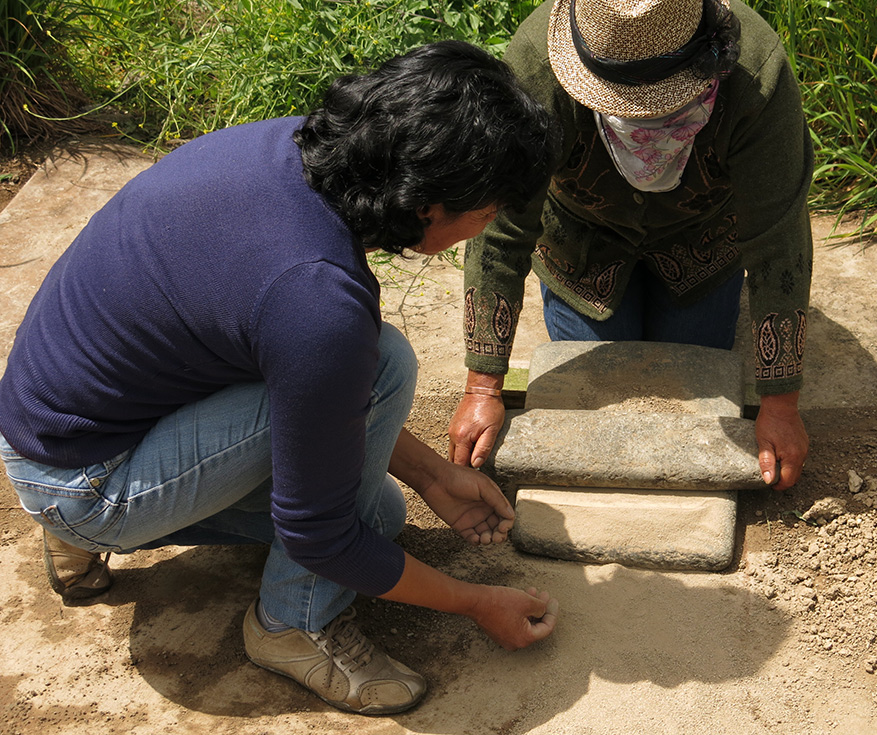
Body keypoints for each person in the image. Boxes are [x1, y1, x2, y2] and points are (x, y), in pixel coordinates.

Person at [0, 41, 560, 716]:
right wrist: (476, 600)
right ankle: (293, 624)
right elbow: (318, 533)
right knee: (382, 368)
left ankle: (73, 528)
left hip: (68, 423)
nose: (490, 224)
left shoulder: (293, 152)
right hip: (86, 478)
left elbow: (304, 381)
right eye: (489, 208)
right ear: (427, 205)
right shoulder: (318, 300)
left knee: (379, 513)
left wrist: (434, 478)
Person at [449, 0, 813, 491]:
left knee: (694, 385)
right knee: (597, 390)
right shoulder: (536, 65)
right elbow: (503, 226)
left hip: (703, 238)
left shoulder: (755, 71)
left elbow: (778, 235)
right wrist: (482, 384)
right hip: (582, 243)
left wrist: (780, 403)